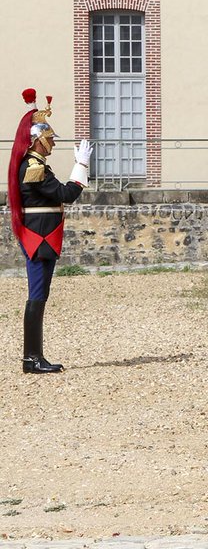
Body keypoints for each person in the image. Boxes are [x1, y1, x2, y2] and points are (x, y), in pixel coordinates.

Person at [8, 89, 91, 374]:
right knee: (37, 293)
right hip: (39, 235)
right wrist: (81, 165)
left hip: (43, 233)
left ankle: (35, 356)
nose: (53, 141)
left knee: (40, 294)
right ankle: (31, 358)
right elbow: (67, 194)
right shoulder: (34, 167)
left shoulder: (38, 164)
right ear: (37, 139)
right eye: (50, 137)